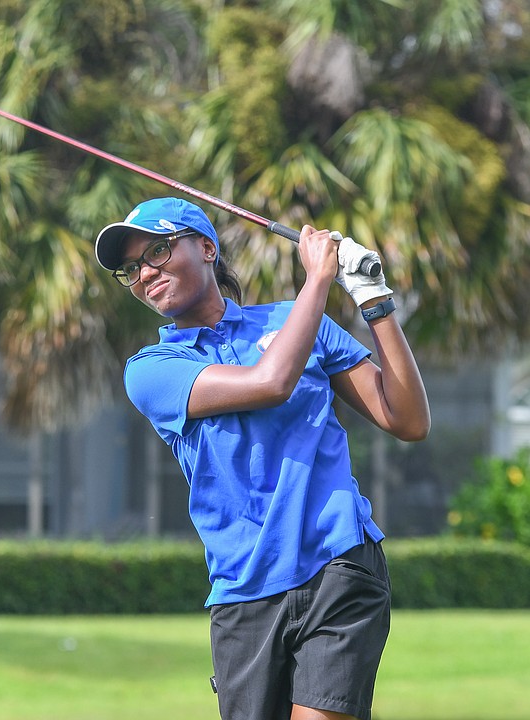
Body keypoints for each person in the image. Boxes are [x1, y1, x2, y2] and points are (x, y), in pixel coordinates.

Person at [94, 197, 430, 720]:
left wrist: (373, 297)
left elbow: (406, 420)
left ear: (207, 248)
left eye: (158, 251)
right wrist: (318, 281)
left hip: (338, 563)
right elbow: (269, 382)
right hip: (242, 591)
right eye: (131, 269)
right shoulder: (152, 368)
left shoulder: (294, 323)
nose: (145, 274)